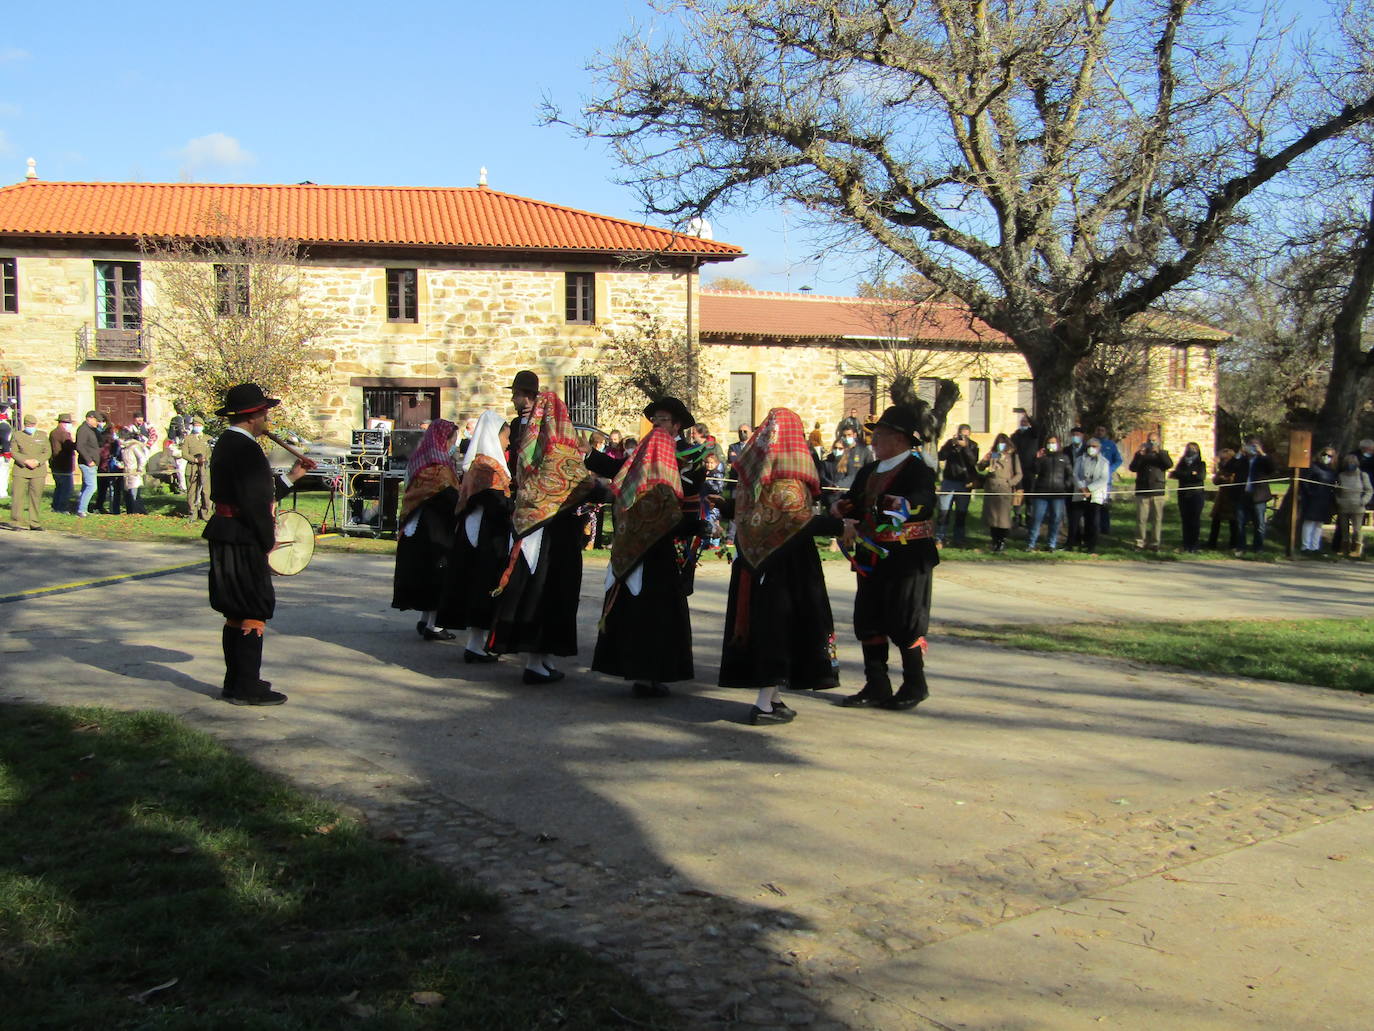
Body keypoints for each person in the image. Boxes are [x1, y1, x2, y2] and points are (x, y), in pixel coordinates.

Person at [716, 408, 837, 724]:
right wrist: (841, 526)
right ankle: (764, 705)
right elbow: (801, 521)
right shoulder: (787, 482)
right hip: (786, 569)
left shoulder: (750, 479)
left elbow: (748, 514)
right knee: (778, 631)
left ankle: (775, 698)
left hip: (751, 565)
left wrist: (725, 507)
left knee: (765, 628)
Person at [203, 383, 311, 706]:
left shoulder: (227, 442)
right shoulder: (246, 449)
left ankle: (235, 681)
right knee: (251, 609)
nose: (267, 418)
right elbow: (253, 503)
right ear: (253, 416)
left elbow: (255, 493)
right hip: (243, 535)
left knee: (236, 610)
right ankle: (247, 685)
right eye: (264, 412)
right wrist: (268, 542)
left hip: (228, 531)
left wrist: (293, 477)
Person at [589, 396, 702, 698]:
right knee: (639, 601)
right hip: (639, 535)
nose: (657, 425)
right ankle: (637, 667)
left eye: (663, 420)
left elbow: (687, 494)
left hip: (674, 536)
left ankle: (661, 668)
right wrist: (589, 455)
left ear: (677, 424)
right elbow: (619, 470)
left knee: (668, 603)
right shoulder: (643, 451)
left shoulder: (691, 454)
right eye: (655, 420)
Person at [831, 402, 939, 710]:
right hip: (870, 558)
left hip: (907, 558)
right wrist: (841, 509)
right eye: (874, 434)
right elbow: (852, 501)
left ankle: (914, 684)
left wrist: (900, 505)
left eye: (880, 435)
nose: (874, 440)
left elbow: (923, 502)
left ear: (900, 439)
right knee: (868, 619)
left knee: (905, 620)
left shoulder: (918, 470)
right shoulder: (868, 470)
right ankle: (876, 683)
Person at [489, 373, 595, 684]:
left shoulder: (538, 442)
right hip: (547, 528)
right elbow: (574, 481)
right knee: (543, 592)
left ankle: (543, 657)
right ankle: (535, 660)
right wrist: (600, 489)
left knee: (551, 593)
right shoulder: (546, 445)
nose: (515, 400)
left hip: (543, 524)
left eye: (519, 395)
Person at [438, 410, 511, 662]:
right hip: (483, 535)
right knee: (483, 585)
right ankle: (475, 645)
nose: (508, 442)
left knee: (481, 585)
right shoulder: (485, 466)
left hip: (482, 532)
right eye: (505, 436)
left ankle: (477, 643)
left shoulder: (486, 464)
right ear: (495, 435)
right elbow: (493, 502)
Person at [391, 419, 461, 639]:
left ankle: (425, 620)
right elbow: (447, 497)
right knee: (437, 573)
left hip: (418, 524)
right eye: (453, 440)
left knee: (427, 573)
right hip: (434, 527)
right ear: (444, 439)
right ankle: (434, 625)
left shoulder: (420, 458)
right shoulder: (437, 466)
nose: (454, 445)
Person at [1227, 436, 1275, 554]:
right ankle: (1241, 547)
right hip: (1242, 495)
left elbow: (1272, 468)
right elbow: (1228, 468)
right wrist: (1239, 454)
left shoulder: (1262, 460)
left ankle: (1258, 548)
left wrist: (1262, 453)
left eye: (1255, 446)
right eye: (1251, 445)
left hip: (1258, 496)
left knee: (1259, 524)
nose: (1253, 448)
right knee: (1240, 523)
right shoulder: (1241, 460)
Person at [935, 423, 980, 547]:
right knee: (944, 511)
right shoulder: (951, 443)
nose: (962, 438)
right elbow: (941, 456)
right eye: (961, 435)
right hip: (949, 480)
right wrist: (951, 445)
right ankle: (940, 538)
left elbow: (973, 461)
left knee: (961, 513)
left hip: (964, 482)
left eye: (965, 435)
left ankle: (959, 538)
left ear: (969, 434)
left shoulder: (973, 445)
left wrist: (965, 447)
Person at [1026, 433, 1072, 552]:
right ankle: (1031, 544)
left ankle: (1051, 544)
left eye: (1053, 443)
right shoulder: (1043, 458)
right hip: (1041, 493)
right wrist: (1037, 458)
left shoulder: (1064, 458)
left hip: (1058, 494)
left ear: (1058, 444)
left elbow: (1070, 475)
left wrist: (1065, 486)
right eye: (1049, 443)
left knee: (1056, 519)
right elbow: (1034, 471)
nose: (1051, 445)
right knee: (1037, 518)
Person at [977, 432, 1021, 553]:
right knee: (992, 517)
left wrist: (1010, 483)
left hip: (1004, 488)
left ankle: (1001, 541)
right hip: (991, 488)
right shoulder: (993, 454)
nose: (1001, 445)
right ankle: (994, 541)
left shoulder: (1012, 456)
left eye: (1003, 443)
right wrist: (984, 460)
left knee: (1003, 518)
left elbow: (1019, 473)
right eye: (999, 443)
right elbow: (980, 468)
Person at [1129, 432, 1172, 551]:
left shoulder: (1163, 454)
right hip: (1143, 490)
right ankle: (1139, 542)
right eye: (1149, 440)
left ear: (1158, 441)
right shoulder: (1141, 454)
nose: (1151, 443)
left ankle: (1155, 543)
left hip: (1157, 490)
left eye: (1154, 440)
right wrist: (1139, 455)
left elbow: (1169, 464)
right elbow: (1132, 468)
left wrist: (1159, 452)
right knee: (1141, 519)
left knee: (1157, 519)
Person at [7, 413, 50, 531]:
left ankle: (34, 522)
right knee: (18, 497)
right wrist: (25, 461)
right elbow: (13, 452)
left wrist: (38, 461)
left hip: (38, 471)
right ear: (24, 425)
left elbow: (47, 452)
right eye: (28, 424)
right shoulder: (17, 435)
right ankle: (16, 522)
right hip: (21, 470)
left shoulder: (42, 435)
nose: (30, 426)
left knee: (36, 497)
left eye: (32, 424)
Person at [1071, 437, 1111, 554]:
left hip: (1095, 495)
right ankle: (1074, 542)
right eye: (1089, 446)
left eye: (1094, 446)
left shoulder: (1104, 462)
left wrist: (1089, 489)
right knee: (1075, 520)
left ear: (1099, 448)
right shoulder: (1080, 460)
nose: (1091, 449)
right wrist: (1082, 488)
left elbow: (1103, 479)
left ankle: (1091, 545)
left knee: (1093, 521)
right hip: (1080, 493)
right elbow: (1074, 474)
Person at [1297, 446, 1339, 554]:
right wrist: (1310, 493)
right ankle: (1305, 546)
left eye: (1330, 456)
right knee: (1309, 522)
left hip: (1325, 499)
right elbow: (1304, 481)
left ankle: (1314, 547)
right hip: (1313, 499)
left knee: (1319, 524)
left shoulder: (1332, 471)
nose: (1326, 457)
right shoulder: (1313, 467)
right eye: (1325, 454)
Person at [1169, 442, 1207, 554]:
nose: (1191, 450)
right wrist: (1191, 474)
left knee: (1194, 520)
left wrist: (1186, 475)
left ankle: (1194, 545)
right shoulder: (1182, 462)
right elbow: (1174, 474)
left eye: (1193, 448)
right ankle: (1186, 544)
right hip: (1183, 493)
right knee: (1185, 520)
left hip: (1196, 494)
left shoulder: (1201, 463)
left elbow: (1200, 476)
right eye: (1189, 448)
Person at [1334, 452, 1373, 558]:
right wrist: (1339, 500)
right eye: (1348, 463)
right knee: (1344, 529)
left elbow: (1369, 490)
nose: (1350, 464)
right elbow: (1336, 491)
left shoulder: (1362, 475)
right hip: (1344, 506)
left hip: (1358, 507)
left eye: (1352, 462)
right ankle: (1344, 548)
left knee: (1357, 529)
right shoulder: (1341, 476)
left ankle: (1357, 549)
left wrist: (1363, 501)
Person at [1207, 447, 1238, 551]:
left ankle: (1234, 544)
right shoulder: (1222, 469)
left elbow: (1234, 480)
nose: (1223, 461)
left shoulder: (1235, 468)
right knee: (1216, 521)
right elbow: (1215, 481)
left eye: (1225, 459)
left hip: (1232, 497)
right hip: (1221, 498)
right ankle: (1212, 543)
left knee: (1233, 522)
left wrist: (1227, 479)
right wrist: (1218, 472)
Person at [182, 417, 213, 520]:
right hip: (192, 467)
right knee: (192, 491)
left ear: (203, 426)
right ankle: (192, 513)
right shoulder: (188, 439)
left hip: (205, 467)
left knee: (206, 491)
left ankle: (206, 513)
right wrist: (195, 460)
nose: (197, 427)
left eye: (199, 426)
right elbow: (184, 454)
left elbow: (211, 453)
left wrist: (205, 459)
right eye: (195, 426)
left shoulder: (208, 438)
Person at [1010, 412, 1038, 526]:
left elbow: (1037, 427)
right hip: (1017, 469)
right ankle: (1017, 516)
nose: (1023, 423)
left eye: (1026, 422)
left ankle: (1029, 516)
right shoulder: (1015, 436)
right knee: (1018, 493)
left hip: (1030, 469)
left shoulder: (1033, 434)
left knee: (1030, 493)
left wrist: (1029, 417)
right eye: (1022, 422)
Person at [1094, 425, 1123, 534]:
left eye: (1102, 430)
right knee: (1094, 504)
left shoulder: (1111, 445)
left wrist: (1110, 470)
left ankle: (1105, 528)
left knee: (1104, 504)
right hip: (1092, 479)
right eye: (1098, 430)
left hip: (1106, 480)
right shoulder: (1090, 444)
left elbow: (1118, 460)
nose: (1100, 432)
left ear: (1106, 432)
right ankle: (1094, 527)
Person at [74, 410, 102, 517]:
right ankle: (82, 509)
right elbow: (80, 446)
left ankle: (82, 508)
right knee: (92, 486)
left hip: (92, 462)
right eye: (96, 420)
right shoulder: (83, 430)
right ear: (89, 418)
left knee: (86, 486)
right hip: (87, 463)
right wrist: (88, 460)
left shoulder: (92, 430)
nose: (97, 423)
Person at [48, 414, 77, 514]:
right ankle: (62, 508)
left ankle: (56, 506)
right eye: (69, 423)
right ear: (64, 423)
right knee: (66, 488)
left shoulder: (53, 432)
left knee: (59, 487)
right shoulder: (64, 434)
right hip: (64, 464)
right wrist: (77, 444)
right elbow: (69, 446)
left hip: (55, 464)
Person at [119, 429, 150, 514]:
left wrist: (139, 469)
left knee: (134, 494)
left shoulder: (134, 446)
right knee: (128, 495)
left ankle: (139, 512)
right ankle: (131, 512)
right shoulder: (124, 448)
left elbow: (142, 458)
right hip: (126, 473)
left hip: (134, 473)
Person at [96, 429, 123, 514]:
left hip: (105, 468)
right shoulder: (110, 445)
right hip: (108, 468)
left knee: (105, 490)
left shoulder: (103, 445)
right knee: (112, 490)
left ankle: (106, 507)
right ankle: (112, 509)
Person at [0, 404, 11, 502]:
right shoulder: (4, 425)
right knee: (3, 473)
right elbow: (5, 440)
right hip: (2, 454)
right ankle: (2, 492)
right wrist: (7, 453)